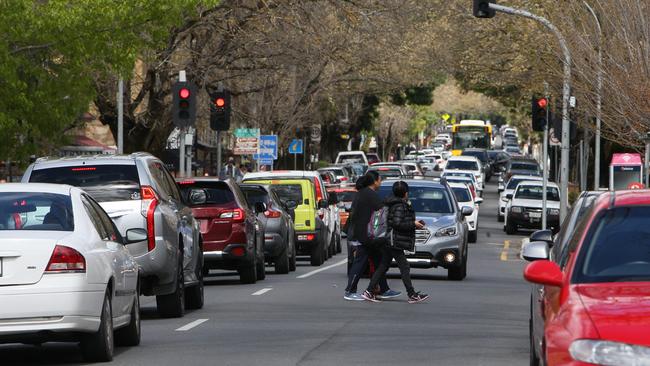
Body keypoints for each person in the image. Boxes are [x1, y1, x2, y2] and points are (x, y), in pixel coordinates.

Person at [362, 181, 429, 304]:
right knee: (404, 267)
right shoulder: (399, 205)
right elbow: (397, 223)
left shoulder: (392, 203)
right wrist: (413, 224)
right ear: (405, 193)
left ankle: (369, 291)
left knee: (383, 266)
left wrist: (413, 222)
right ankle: (411, 294)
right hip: (394, 241)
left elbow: (395, 221)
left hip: (389, 240)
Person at [344, 171, 400, 301]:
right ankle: (350, 291)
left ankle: (384, 289)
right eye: (380, 180)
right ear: (374, 181)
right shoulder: (370, 194)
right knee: (360, 262)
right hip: (366, 235)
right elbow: (382, 210)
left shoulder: (362, 193)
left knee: (378, 260)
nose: (380, 182)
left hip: (364, 233)